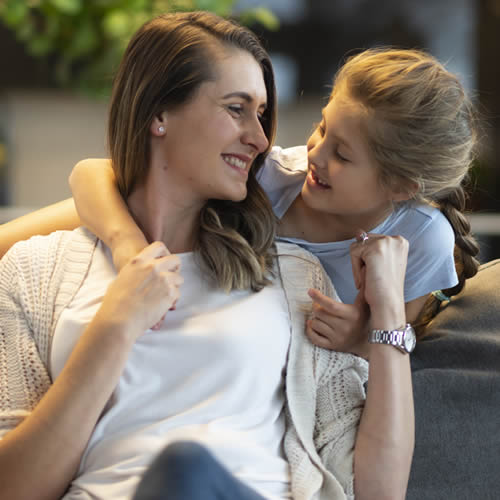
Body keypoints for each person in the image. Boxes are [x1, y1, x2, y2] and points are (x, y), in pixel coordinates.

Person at [0, 11, 413, 500]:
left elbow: (375, 491)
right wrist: (116, 325)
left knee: (186, 471)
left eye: (260, 114)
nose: (260, 140)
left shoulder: (294, 278)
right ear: (159, 114)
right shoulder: (35, 273)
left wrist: (387, 311)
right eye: (236, 108)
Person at [0, 45, 479, 355]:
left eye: (343, 155)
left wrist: (359, 339)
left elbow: (400, 345)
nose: (315, 151)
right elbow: (92, 174)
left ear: (401, 188)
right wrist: (126, 243)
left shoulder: (420, 238)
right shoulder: (269, 176)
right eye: (322, 127)